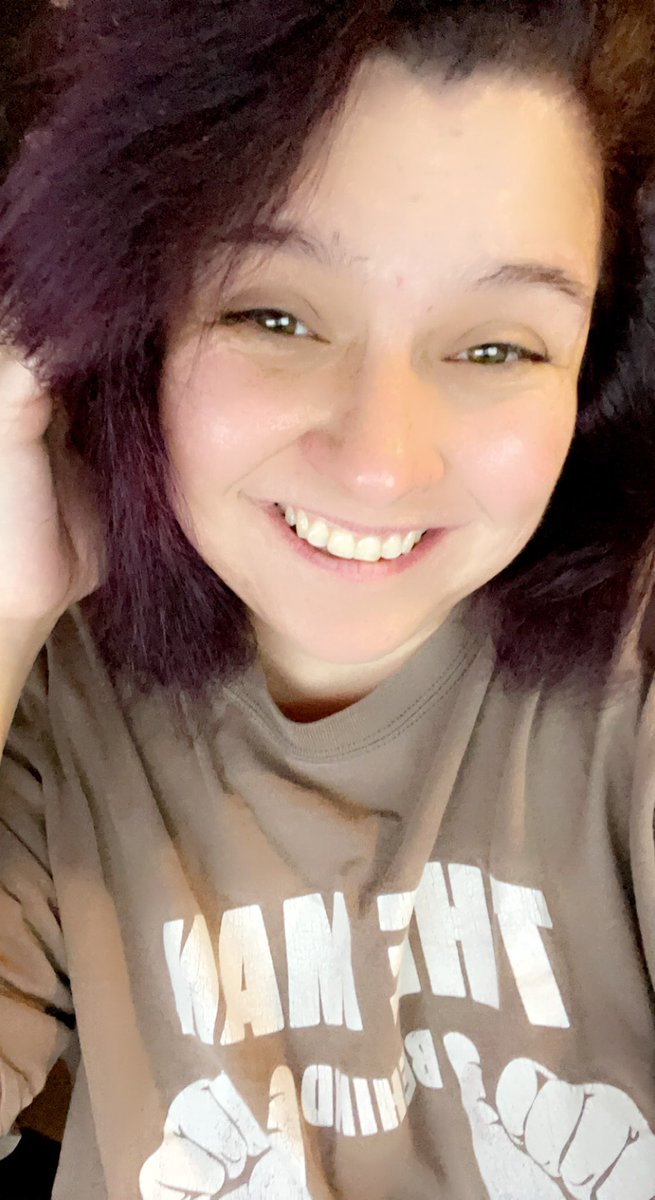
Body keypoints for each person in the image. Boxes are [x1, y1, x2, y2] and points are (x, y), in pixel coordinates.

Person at [1, 0, 655, 1196]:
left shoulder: (633, 678)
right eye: (275, 314)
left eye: (498, 347)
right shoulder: (53, 704)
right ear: (137, 334)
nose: (379, 464)